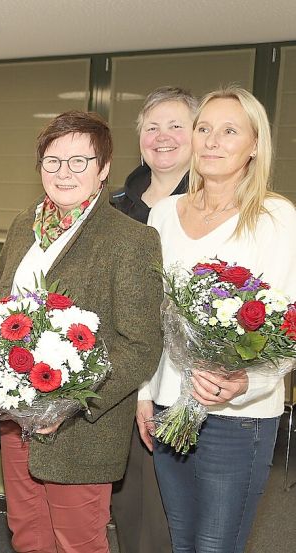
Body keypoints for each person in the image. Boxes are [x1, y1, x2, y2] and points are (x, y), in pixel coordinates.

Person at [0, 111, 164, 553]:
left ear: (103, 169)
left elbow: (141, 345)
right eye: (52, 161)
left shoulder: (131, 240)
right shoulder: (20, 228)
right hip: (16, 424)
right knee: (27, 537)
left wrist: (67, 405)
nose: (63, 172)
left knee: (78, 544)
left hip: (82, 431)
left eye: (78, 161)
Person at [139, 86, 296, 553]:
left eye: (229, 131)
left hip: (237, 417)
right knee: (182, 541)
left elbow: (288, 324)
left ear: (254, 145)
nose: (211, 140)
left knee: (215, 546)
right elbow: (150, 312)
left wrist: (248, 380)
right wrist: (145, 394)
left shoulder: (276, 217)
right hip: (169, 408)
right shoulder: (164, 214)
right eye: (204, 128)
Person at [109, 86, 197, 553]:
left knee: (168, 512)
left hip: (183, 381)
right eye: (152, 127)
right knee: (124, 503)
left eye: (176, 125)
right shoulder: (117, 204)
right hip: (119, 375)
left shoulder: (213, 204)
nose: (162, 137)